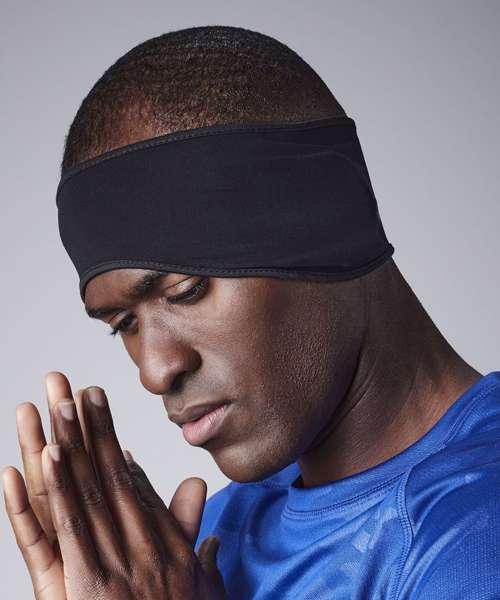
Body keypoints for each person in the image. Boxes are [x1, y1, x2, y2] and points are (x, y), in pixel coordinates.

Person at [3, 24, 499, 600]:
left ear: (324, 225)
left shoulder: (473, 540)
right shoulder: (198, 549)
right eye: (124, 325)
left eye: (186, 290)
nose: (155, 371)